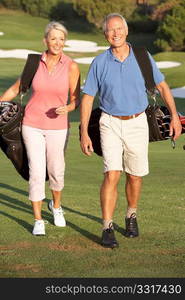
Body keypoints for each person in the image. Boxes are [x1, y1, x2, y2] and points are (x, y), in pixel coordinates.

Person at [80, 13, 182, 248]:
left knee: (134, 176)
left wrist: (174, 117)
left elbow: (163, 87)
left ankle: (131, 214)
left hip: (138, 122)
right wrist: (84, 131)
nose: (115, 33)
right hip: (109, 122)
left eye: (119, 29)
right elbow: (87, 99)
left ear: (126, 32)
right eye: (110, 30)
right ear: (105, 34)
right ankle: (107, 226)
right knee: (111, 174)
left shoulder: (143, 57)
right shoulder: (99, 62)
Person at [0, 21, 80, 236]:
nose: (57, 43)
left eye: (61, 39)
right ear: (45, 40)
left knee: (56, 170)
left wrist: (70, 107)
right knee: (36, 171)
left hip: (58, 126)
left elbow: (75, 99)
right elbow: (16, 89)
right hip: (32, 124)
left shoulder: (71, 66)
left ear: (65, 42)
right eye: (53, 38)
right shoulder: (34, 63)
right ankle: (38, 220)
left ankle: (56, 207)